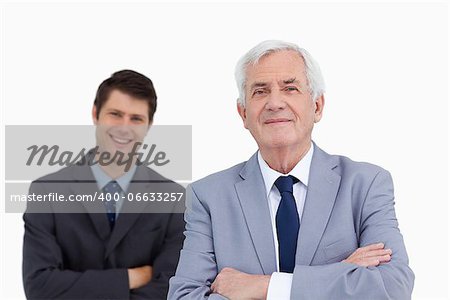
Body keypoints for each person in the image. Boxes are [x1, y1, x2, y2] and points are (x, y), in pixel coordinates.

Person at [168, 40, 414, 299]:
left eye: (290, 88)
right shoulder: (208, 196)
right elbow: (184, 296)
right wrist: (341, 273)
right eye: (260, 91)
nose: (275, 102)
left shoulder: (366, 184)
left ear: (317, 106)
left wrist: (264, 287)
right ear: (243, 113)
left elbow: (393, 287)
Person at [23, 70, 185, 299]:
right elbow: (39, 287)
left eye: (136, 118)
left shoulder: (174, 198)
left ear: (149, 125)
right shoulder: (47, 191)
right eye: (115, 114)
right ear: (95, 114)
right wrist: (130, 277)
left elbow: (170, 289)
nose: (124, 127)